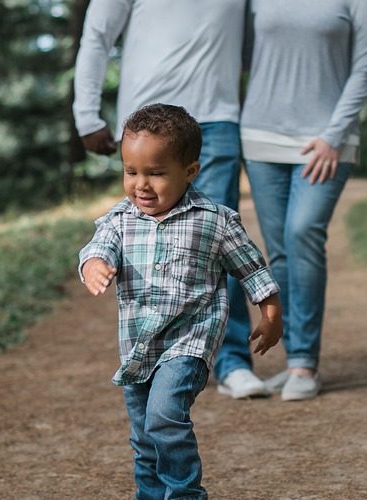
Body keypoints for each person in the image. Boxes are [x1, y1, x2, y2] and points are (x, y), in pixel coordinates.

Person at [79, 104, 283, 499]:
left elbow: (252, 270)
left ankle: (186, 494)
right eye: (131, 172)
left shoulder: (215, 220)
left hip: (190, 341)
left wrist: (271, 313)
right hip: (138, 345)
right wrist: (95, 265)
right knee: (143, 436)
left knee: (164, 416)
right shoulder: (119, 219)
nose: (141, 185)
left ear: (190, 171)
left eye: (156, 173)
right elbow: (95, 249)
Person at [73, 0, 271, 399]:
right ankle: (159, 357)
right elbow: (97, 35)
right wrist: (86, 114)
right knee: (149, 240)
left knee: (217, 240)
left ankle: (231, 361)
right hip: (145, 125)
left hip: (215, 120)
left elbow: (256, 48)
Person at [229, 0, 367, 401]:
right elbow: (238, 54)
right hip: (262, 137)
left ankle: (304, 364)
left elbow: (364, 67)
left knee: (303, 232)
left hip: (328, 139)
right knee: (277, 250)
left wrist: (333, 136)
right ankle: (293, 354)